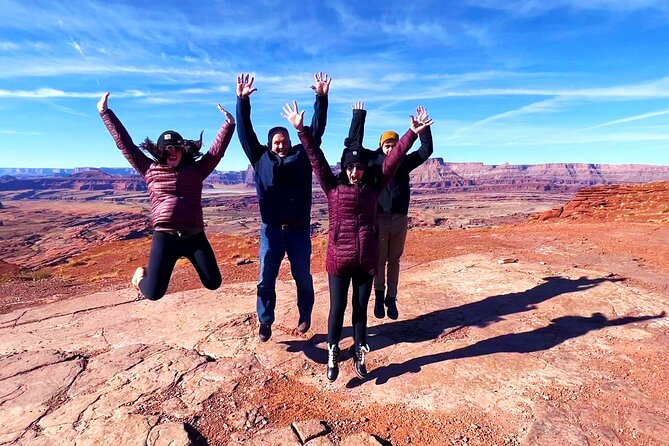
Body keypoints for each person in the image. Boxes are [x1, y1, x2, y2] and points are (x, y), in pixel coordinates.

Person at [281, 100, 433, 381]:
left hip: (365, 260)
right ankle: (333, 352)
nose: (355, 172)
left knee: (360, 310)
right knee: (337, 309)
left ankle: (361, 352)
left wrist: (411, 133)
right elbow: (315, 158)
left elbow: (393, 160)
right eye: (350, 167)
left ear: (364, 169)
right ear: (345, 168)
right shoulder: (332, 187)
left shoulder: (374, 189)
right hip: (339, 260)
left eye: (359, 167)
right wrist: (301, 130)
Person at [97, 92, 235, 301]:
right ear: (160, 151)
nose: (173, 152)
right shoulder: (149, 169)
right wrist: (105, 113)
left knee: (213, 282)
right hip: (165, 235)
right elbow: (125, 144)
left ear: (183, 149)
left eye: (176, 148)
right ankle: (139, 278)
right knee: (153, 293)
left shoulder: (196, 170)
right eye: (168, 148)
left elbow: (216, 152)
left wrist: (228, 124)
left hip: (194, 234)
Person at [236, 72, 331, 342]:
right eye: (277, 142)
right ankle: (265, 321)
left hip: (299, 231)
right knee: (266, 279)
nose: (281, 144)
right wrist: (242, 102)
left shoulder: (302, 155)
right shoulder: (259, 158)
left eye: (285, 140)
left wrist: (321, 98)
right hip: (270, 232)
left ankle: (305, 315)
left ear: (290, 141)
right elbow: (245, 132)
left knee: (303, 277)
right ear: (269, 144)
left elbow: (317, 130)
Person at [356, 106, 434, 320]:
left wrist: (423, 129)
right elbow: (355, 146)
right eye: (387, 145)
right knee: (379, 260)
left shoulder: (404, 162)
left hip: (399, 218)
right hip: (378, 219)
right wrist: (359, 118)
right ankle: (379, 299)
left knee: (395, 260)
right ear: (381, 146)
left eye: (393, 145)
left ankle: (392, 298)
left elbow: (426, 150)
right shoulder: (372, 162)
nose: (390, 149)